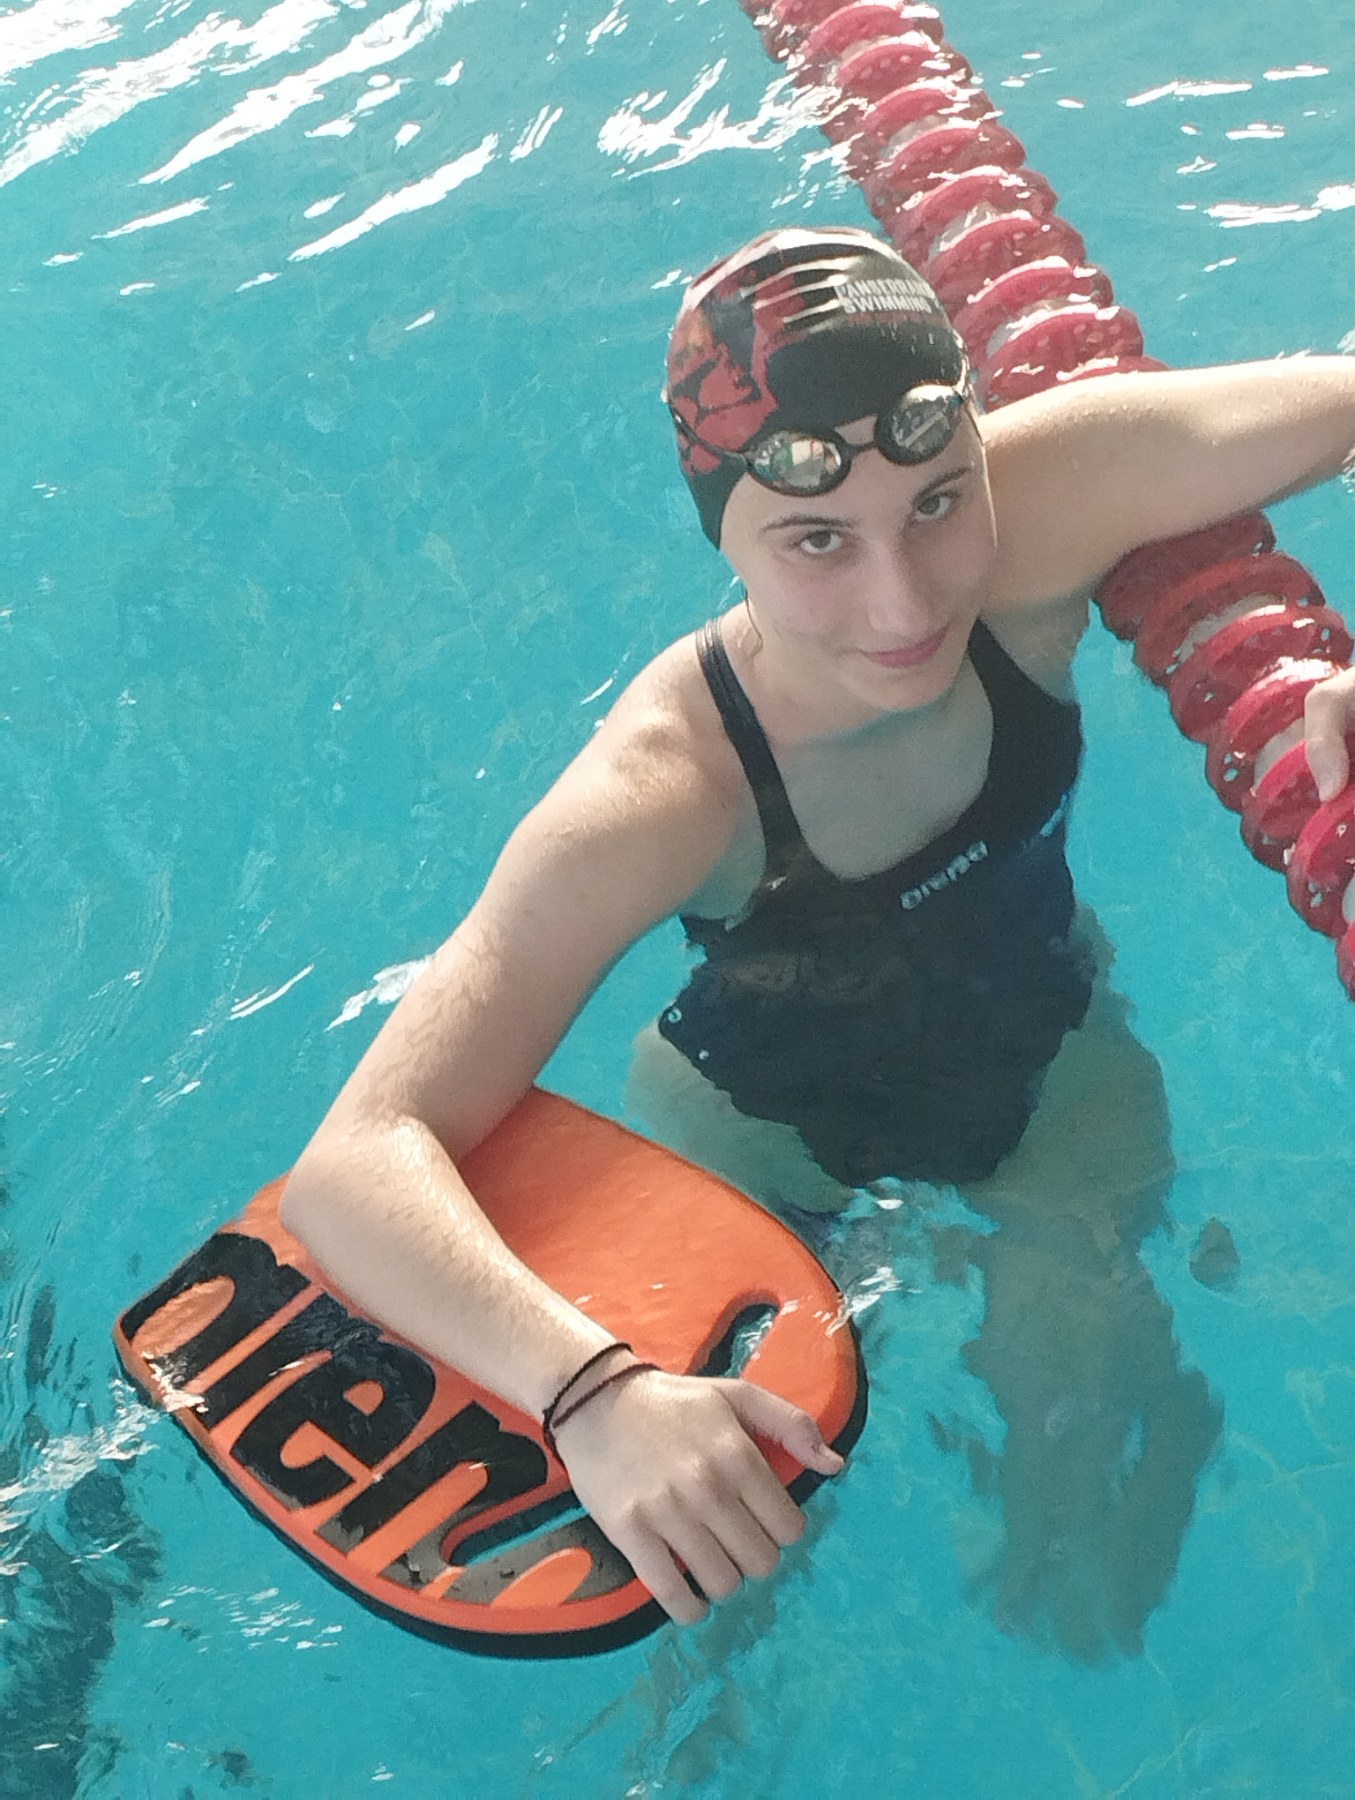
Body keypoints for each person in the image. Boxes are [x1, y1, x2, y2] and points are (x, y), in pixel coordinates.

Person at [279, 225, 1355, 1629]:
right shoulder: (671, 785)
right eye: (815, 540)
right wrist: (594, 1393)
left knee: (1093, 1516)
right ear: (724, 536)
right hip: (752, 1133)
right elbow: (353, 1164)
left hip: (1053, 1063)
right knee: (719, 1582)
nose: (903, 600)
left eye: (937, 501)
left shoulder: (1051, 500)